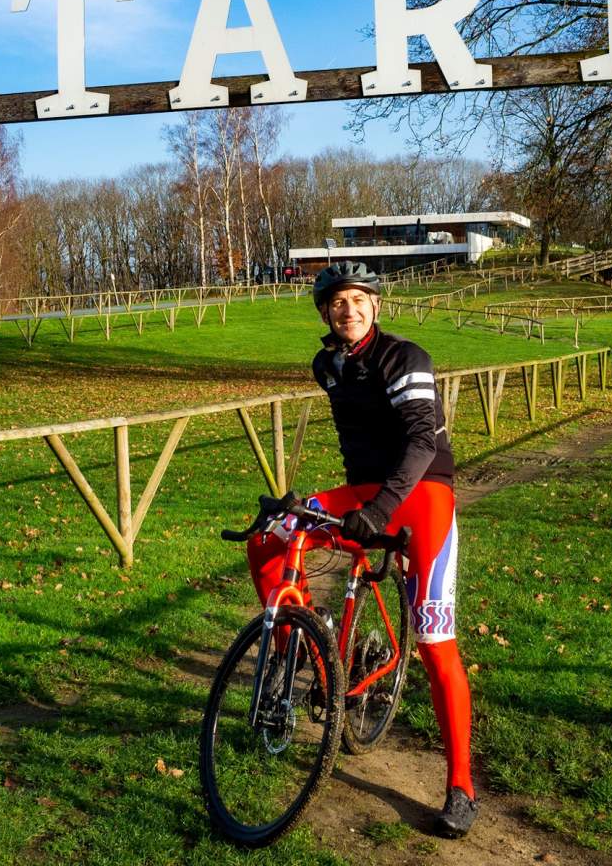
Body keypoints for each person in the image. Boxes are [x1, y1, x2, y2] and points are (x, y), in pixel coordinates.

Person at [244, 260, 478, 838]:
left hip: (422, 490)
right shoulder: (327, 366)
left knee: (433, 638)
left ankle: (462, 785)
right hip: (364, 488)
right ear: (325, 312)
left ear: (375, 305)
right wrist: (316, 505)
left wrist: (377, 513)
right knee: (267, 539)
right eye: (336, 302)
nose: (347, 310)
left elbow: (423, 440)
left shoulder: (406, 358)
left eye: (357, 300)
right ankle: (299, 649)